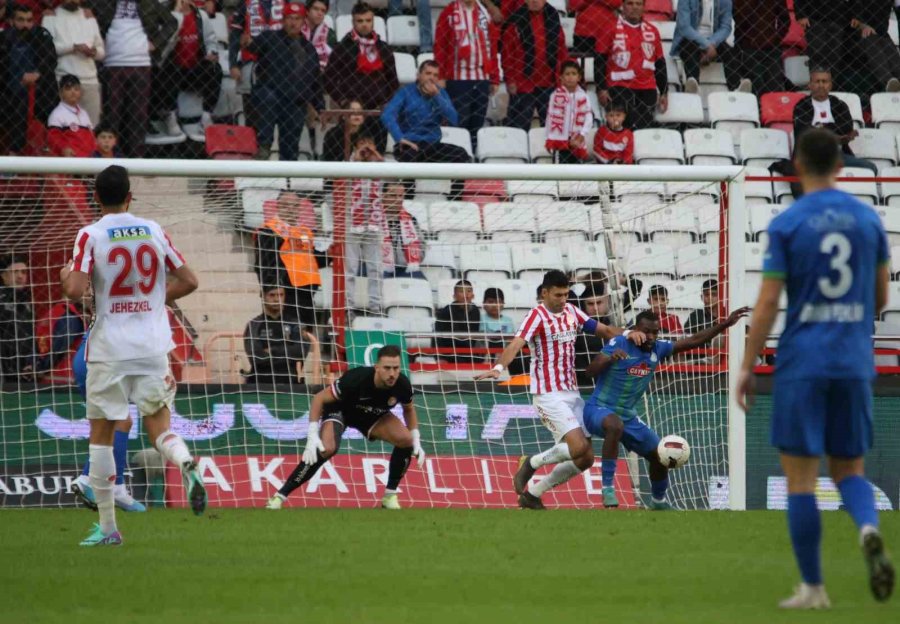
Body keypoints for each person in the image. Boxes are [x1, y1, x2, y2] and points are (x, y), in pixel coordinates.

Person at [737, 128, 895, 609]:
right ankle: (868, 527)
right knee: (849, 468)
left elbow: (767, 303)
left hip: (803, 359)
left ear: (798, 166)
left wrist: (746, 365)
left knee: (801, 479)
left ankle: (813, 588)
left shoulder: (788, 224)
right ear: (842, 166)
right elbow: (882, 299)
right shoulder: (868, 220)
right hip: (851, 359)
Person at [60, 165, 205, 546]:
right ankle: (185, 459)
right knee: (159, 423)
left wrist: (65, 275)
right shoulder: (153, 230)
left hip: (110, 349)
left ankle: (108, 529)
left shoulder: (90, 234)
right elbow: (189, 280)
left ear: (96, 198)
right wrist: (153, 299)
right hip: (154, 345)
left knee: (102, 435)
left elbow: (74, 290)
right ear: (130, 195)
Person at [476, 270, 646, 510]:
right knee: (577, 447)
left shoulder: (572, 312)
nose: (562, 299)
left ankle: (533, 494)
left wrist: (629, 333)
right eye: (558, 295)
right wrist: (498, 367)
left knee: (585, 458)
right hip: (547, 393)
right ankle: (531, 462)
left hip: (571, 392)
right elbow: (516, 343)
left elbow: (605, 330)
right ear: (545, 293)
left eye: (566, 294)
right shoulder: (536, 316)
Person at [584, 307, 748, 508]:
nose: (651, 336)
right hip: (598, 409)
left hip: (628, 417)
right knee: (615, 425)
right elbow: (590, 372)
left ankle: (658, 501)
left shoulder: (658, 349)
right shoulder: (619, 343)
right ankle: (608, 488)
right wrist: (609, 358)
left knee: (660, 455)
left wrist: (724, 324)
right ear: (635, 329)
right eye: (646, 331)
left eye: (655, 332)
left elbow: (694, 340)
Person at [266, 345, 426, 510]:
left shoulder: (402, 385)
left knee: (407, 440)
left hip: (371, 415)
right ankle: (279, 496)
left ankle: (389, 496)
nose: (392, 373)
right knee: (327, 448)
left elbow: (409, 409)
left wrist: (416, 438)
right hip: (341, 410)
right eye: (387, 368)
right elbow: (319, 398)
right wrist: (312, 434)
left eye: (395, 368)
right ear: (377, 368)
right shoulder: (356, 378)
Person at [70, 326, 147, 513]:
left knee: (118, 421)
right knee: (117, 422)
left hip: (88, 356)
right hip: (101, 359)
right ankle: (86, 479)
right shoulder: (138, 310)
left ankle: (117, 487)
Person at [93, 0, 177, 157]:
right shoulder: (105, 4)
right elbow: (91, 13)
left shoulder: (149, 3)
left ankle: (136, 159)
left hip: (141, 64)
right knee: (113, 116)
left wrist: (156, 42)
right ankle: (111, 156)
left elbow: (171, 22)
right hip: (113, 63)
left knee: (138, 116)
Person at [246, 1, 324, 161]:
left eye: (297, 18)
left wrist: (319, 107)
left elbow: (315, 81)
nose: (293, 22)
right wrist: (246, 42)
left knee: (290, 150)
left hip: (295, 102)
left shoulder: (309, 49)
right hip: (270, 94)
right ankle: (264, 145)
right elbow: (250, 47)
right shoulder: (269, 38)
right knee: (268, 97)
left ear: (303, 21)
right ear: (283, 20)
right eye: (289, 18)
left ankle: (288, 181)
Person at [433, 0, 500, 149]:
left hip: (482, 78)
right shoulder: (448, 13)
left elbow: (492, 47)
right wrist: (441, 75)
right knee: (458, 123)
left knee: (477, 124)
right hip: (457, 79)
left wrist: (494, 77)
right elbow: (440, 45)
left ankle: (473, 161)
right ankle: (456, 161)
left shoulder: (485, 14)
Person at [254, 190, 324, 327]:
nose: (291, 210)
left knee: (306, 337)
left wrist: (331, 253)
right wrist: (272, 290)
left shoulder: (304, 232)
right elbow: (263, 264)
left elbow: (312, 258)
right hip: (285, 293)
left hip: (307, 293)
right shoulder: (269, 231)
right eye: (286, 206)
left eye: (295, 206)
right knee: (287, 337)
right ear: (278, 207)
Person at [381, 60, 471, 166]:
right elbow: (387, 114)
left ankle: (454, 183)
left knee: (462, 155)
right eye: (428, 73)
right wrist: (399, 138)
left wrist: (437, 96)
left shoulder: (441, 93)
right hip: (409, 143)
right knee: (409, 157)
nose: (431, 78)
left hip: (433, 145)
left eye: (435, 75)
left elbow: (454, 120)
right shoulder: (406, 92)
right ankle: (407, 183)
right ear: (419, 75)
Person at [594, 0, 667, 130]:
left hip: (647, 87)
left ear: (644, 7)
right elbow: (600, 60)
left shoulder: (653, 31)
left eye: (638, 4)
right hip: (619, 87)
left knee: (644, 128)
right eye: (630, 3)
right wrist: (601, 88)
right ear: (622, 6)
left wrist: (664, 92)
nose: (634, 7)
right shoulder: (608, 28)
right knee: (625, 126)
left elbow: (660, 63)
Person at [152, 0, 222, 134]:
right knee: (170, 69)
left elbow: (210, 40)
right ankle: (170, 115)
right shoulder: (166, 16)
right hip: (173, 69)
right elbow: (163, 49)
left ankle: (206, 116)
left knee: (215, 68)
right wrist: (177, 16)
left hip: (193, 69)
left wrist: (211, 52)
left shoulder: (201, 16)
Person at [792, 68, 878, 175]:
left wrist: (820, 128)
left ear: (830, 85)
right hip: (810, 156)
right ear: (810, 85)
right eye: (817, 81)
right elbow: (804, 133)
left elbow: (846, 128)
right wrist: (834, 136)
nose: (821, 85)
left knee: (870, 168)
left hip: (836, 155)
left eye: (824, 81)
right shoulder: (802, 106)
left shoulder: (839, 105)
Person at [501, 0, 568, 132]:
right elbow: (507, 54)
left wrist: (564, 75)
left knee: (552, 128)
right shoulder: (515, 21)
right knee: (519, 128)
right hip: (523, 83)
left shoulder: (553, 18)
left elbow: (561, 49)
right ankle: (517, 151)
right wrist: (510, 79)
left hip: (549, 82)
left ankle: (550, 152)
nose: (535, 1)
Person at [0, 5, 58, 155]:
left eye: (29, 20)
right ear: (12, 21)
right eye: (21, 20)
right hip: (8, 93)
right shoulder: (3, 39)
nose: (25, 25)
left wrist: (37, 74)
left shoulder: (41, 35)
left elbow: (51, 60)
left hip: (39, 95)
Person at [325, 2, 398, 112]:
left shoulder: (383, 48)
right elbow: (329, 77)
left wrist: (386, 101)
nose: (364, 24)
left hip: (378, 110)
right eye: (360, 21)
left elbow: (392, 79)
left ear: (373, 21)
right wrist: (343, 102)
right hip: (351, 111)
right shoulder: (342, 48)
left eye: (368, 20)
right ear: (353, 22)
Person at [42, 0, 105, 126]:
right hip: (65, 79)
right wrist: (73, 47)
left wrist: (94, 52)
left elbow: (102, 52)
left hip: (90, 80)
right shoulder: (51, 17)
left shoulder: (88, 17)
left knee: (92, 128)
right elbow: (47, 49)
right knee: (66, 127)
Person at [243, 285, 322, 386]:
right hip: (260, 384)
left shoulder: (294, 323)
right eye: (272, 295)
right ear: (262, 295)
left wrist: (272, 351)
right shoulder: (254, 324)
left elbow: (301, 351)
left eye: (281, 295)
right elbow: (256, 357)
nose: (276, 299)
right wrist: (288, 352)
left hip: (290, 384)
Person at [671, 0, 743, 95]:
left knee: (730, 53)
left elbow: (725, 27)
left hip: (713, 41)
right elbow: (684, 27)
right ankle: (693, 87)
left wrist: (712, 43)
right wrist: (706, 45)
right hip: (690, 39)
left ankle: (736, 89)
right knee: (689, 48)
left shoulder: (725, 1)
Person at [228, 0, 284, 111]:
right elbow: (235, 35)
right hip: (251, 62)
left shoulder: (284, 3)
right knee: (251, 110)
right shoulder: (245, 3)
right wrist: (233, 64)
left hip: (279, 64)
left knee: (278, 109)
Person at [731, 0, 789, 97]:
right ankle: (757, 109)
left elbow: (785, 20)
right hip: (747, 47)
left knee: (774, 84)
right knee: (757, 82)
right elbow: (739, 18)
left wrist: (775, 38)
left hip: (771, 47)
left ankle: (771, 110)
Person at [544, 60, 593, 164]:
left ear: (579, 77)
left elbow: (588, 118)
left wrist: (582, 134)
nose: (570, 77)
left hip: (577, 139)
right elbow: (550, 119)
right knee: (559, 170)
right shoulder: (555, 96)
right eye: (567, 74)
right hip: (559, 142)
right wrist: (549, 138)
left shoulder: (584, 96)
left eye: (574, 74)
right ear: (561, 77)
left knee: (577, 171)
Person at [0, 253, 36, 384]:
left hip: (24, 370)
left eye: (23, 272)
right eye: (15, 272)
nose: (20, 276)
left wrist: (32, 362)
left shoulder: (26, 302)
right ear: (3, 275)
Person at [850, 0, 900, 93]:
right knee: (870, 38)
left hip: (881, 35)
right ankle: (888, 81)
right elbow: (852, 20)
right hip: (858, 37)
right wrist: (863, 26)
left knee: (887, 45)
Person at [380, 180, 426, 280]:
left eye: (401, 196)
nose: (398, 199)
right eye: (393, 195)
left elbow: (422, 248)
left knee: (421, 281)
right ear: (383, 196)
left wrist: (406, 258)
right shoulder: (373, 220)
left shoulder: (412, 220)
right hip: (379, 267)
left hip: (406, 268)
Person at [794, 0, 848, 81]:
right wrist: (801, 15)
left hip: (838, 18)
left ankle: (832, 85)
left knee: (836, 56)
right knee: (817, 56)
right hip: (815, 19)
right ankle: (817, 85)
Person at [46, 74, 96, 157]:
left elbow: (92, 137)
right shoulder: (57, 114)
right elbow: (53, 138)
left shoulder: (84, 113)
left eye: (76, 89)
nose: (73, 92)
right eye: (68, 89)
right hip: (71, 160)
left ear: (80, 92)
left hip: (89, 158)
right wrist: (63, 148)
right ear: (61, 93)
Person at [435, 279, 482, 364]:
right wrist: (441, 357)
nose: (466, 295)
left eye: (469, 291)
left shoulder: (475, 311)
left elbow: (474, 336)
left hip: (468, 353)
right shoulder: (446, 311)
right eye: (461, 291)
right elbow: (438, 336)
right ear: (454, 296)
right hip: (450, 353)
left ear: (473, 295)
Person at [302, 0, 336, 69]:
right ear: (307, 11)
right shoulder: (296, 29)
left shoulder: (330, 34)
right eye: (316, 9)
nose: (320, 13)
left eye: (323, 10)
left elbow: (334, 59)